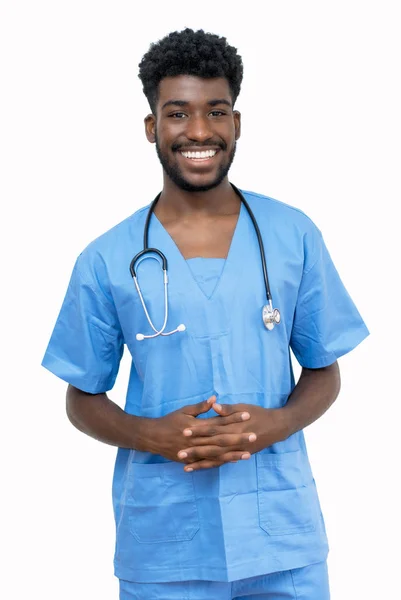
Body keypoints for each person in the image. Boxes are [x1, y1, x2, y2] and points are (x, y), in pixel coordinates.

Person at [42, 28, 369, 600]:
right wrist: (152, 436)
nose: (198, 131)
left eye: (216, 111)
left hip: (282, 544)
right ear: (152, 129)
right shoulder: (106, 258)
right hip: (165, 546)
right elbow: (81, 398)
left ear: (236, 124)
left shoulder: (292, 234)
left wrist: (277, 423)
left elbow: (325, 368)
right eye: (177, 113)